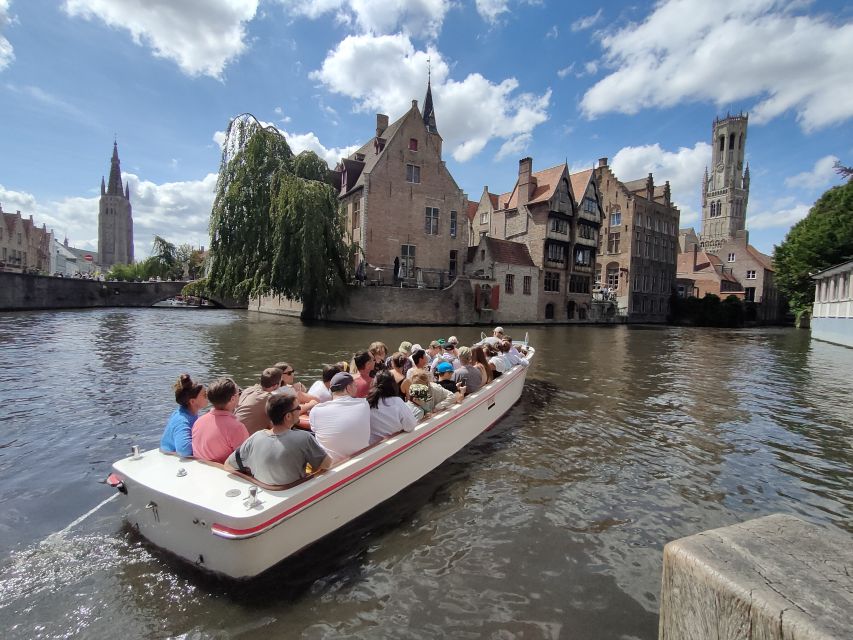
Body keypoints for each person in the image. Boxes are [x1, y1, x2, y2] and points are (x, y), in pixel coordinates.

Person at [225, 393, 331, 486]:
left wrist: (254, 480)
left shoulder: (255, 437)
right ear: (288, 416)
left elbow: (228, 465)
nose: (300, 409)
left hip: (265, 494)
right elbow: (327, 464)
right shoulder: (304, 437)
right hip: (295, 497)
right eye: (298, 408)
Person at [308, 372, 371, 463]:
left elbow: (314, 429)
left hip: (331, 467)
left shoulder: (316, 410)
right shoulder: (364, 404)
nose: (357, 388)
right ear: (348, 388)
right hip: (361, 462)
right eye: (355, 385)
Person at [191, 377, 249, 463]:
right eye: (239, 393)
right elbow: (246, 459)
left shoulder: (199, 422)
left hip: (199, 469)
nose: (240, 395)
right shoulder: (237, 427)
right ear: (232, 399)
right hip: (221, 473)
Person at [160, 373, 208, 457]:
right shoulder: (182, 420)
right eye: (204, 395)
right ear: (192, 401)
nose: (207, 396)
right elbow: (184, 450)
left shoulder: (190, 413)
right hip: (170, 458)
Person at [366, 370, 417, 445]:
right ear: (392, 385)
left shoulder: (367, 403)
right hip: (394, 445)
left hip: (373, 447)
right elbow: (410, 426)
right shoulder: (397, 402)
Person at [236, 367, 283, 434]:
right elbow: (284, 419)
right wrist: (304, 407)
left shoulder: (248, 390)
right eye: (281, 381)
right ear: (275, 385)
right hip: (244, 440)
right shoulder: (269, 399)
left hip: (232, 434)